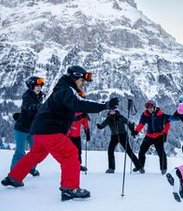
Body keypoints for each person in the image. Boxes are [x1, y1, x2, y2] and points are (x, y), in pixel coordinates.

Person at [1, 65, 119, 201]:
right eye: (82, 80)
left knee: (35, 155)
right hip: (50, 130)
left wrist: (75, 118)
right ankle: (69, 188)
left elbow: (61, 111)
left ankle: (14, 177)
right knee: (70, 154)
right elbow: (79, 104)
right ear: (75, 77)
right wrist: (104, 105)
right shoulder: (66, 90)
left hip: (40, 130)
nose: (84, 84)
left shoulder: (63, 89)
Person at [10, 76, 46, 176]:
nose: (39, 88)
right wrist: (38, 107)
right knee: (20, 152)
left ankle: (30, 168)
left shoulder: (40, 96)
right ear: (31, 87)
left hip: (32, 129)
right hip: (21, 129)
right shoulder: (27, 96)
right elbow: (28, 106)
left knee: (36, 150)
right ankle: (13, 174)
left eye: (40, 86)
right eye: (36, 86)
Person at [96, 107, 142, 173]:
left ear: (116, 111)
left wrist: (132, 130)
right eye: (110, 110)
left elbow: (129, 123)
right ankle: (111, 168)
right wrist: (99, 126)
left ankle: (139, 167)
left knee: (129, 151)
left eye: (113, 110)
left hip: (123, 135)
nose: (111, 111)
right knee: (110, 150)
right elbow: (102, 125)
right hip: (114, 136)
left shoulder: (121, 117)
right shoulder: (108, 119)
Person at [132, 100, 171, 175]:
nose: (149, 109)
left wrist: (165, 134)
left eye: (150, 107)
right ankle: (140, 167)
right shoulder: (145, 114)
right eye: (147, 108)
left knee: (161, 153)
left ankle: (163, 169)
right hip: (149, 136)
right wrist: (136, 131)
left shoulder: (161, 114)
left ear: (154, 106)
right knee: (142, 151)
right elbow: (141, 124)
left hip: (159, 136)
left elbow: (167, 124)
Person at [68, 92, 90, 172]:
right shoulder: (70, 108)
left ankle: (78, 165)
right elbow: (70, 119)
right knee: (69, 151)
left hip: (76, 135)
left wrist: (87, 131)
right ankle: (69, 165)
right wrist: (80, 116)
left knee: (78, 150)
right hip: (68, 134)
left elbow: (85, 122)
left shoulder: (82, 111)